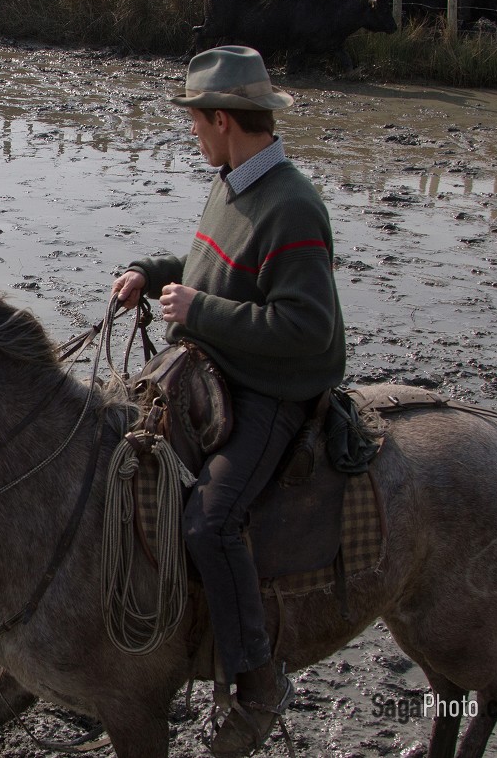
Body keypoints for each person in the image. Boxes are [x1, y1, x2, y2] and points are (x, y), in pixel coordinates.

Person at [111, 46, 345, 758]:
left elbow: (308, 327)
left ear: (222, 119)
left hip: (271, 389)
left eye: (194, 120)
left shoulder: (293, 205)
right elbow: (212, 269)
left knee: (210, 522)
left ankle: (257, 676)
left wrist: (200, 309)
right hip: (216, 366)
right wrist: (152, 273)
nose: (191, 131)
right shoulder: (235, 181)